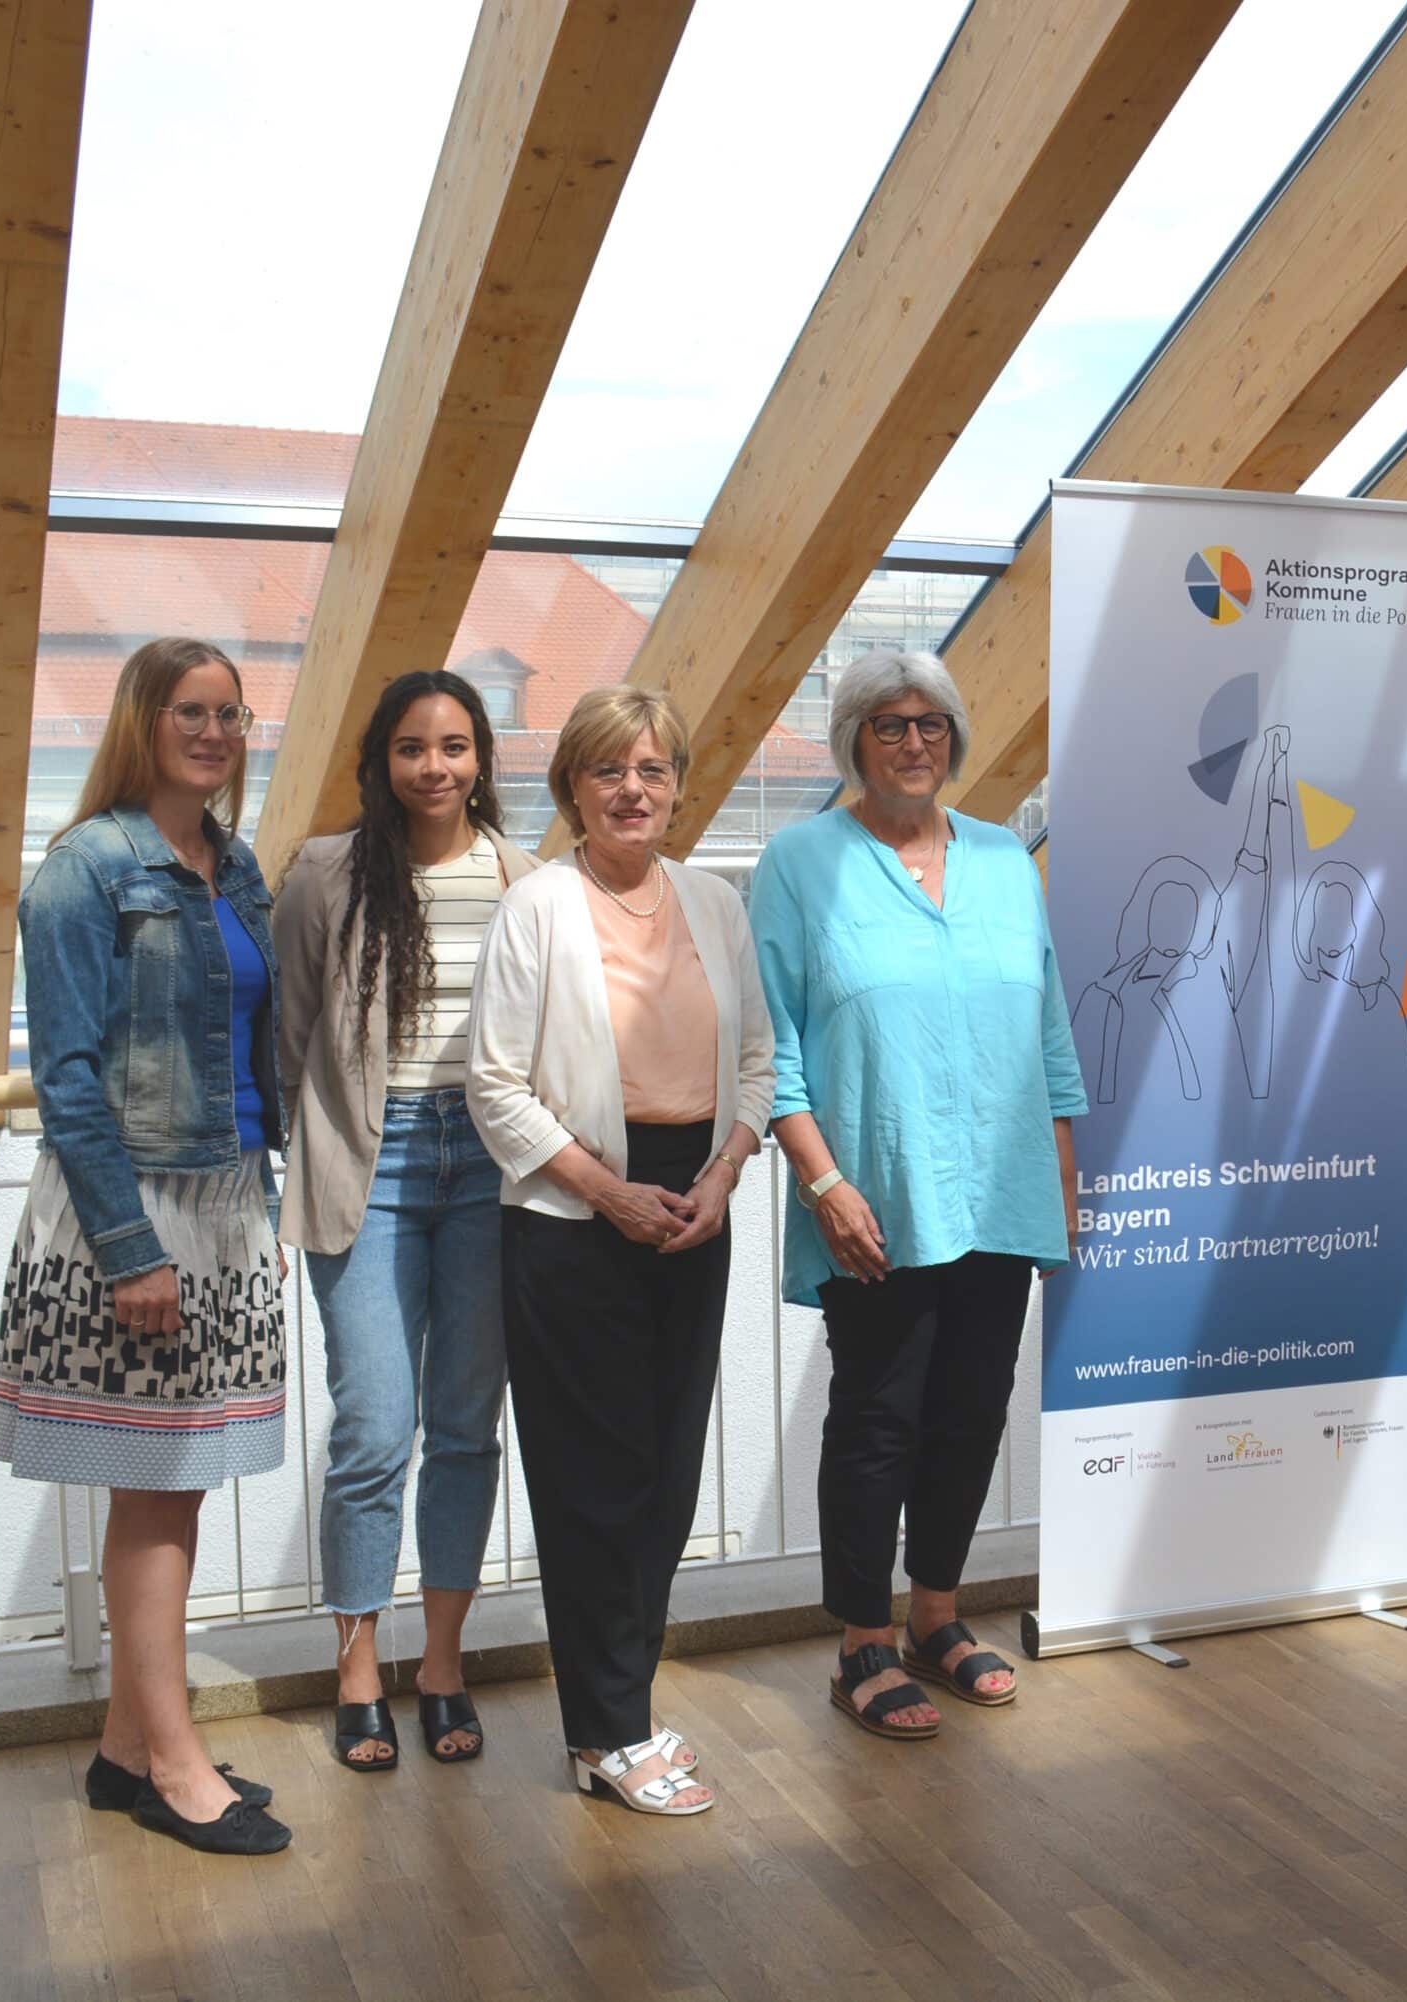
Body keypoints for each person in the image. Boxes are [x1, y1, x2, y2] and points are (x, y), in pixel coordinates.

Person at [0, 636, 292, 1855]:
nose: (215, 733)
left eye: (231, 713)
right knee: (158, 1494)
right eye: (190, 711)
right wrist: (130, 1250)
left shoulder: (232, 862)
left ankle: (126, 1750)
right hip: (135, 1214)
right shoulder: (86, 869)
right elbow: (66, 1081)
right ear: (141, 722)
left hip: (224, 1203)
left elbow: (251, 1053)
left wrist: (263, 1208)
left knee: (180, 1485)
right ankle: (175, 1763)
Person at [750, 651, 1082, 1740]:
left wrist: (1061, 1183)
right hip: (874, 1198)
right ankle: (862, 1642)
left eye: (930, 723)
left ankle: (936, 1616)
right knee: (877, 1420)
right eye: (888, 724)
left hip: (1003, 1191)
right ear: (853, 739)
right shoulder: (800, 862)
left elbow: (1048, 1029)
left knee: (971, 1414)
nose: (912, 743)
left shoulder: (1002, 858)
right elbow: (772, 1045)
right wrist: (824, 1184)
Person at [466, 686, 772, 1814]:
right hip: (573, 1219)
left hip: (695, 1206)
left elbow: (758, 1059)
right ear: (573, 788)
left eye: (651, 769)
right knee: (593, 1482)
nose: (632, 790)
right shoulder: (537, 905)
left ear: (678, 785)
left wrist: (724, 1172)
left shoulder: (715, 901)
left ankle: (622, 1711)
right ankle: (606, 1730)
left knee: (668, 1476)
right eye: (608, 770)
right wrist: (609, 1195)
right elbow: (494, 1085)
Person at [275, 670, 535, 1771]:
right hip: (369, 1164)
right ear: (381, 761)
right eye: (413, 747)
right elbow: (291, 1032)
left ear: (481, 759)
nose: (435, 766)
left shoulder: (524, 877)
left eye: (455, 746)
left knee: (467, 1426)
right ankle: (356, 1670)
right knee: (376, 1427)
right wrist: (315, 1150)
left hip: (490, 1165)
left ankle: (440, 1664)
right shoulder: (326, 873)